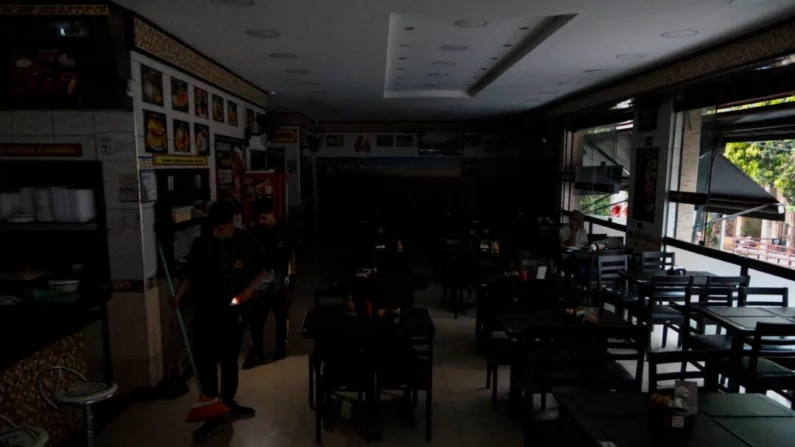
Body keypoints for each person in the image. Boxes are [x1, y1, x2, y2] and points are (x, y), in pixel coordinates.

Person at [171, 200, 268, 442]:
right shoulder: (203, 243)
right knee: (204, 360)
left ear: (231, 223)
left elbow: (263, 269)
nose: (216, 233)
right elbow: (190, 273)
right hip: (206, 310)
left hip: (234, 310)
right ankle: (212, 408)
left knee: (229, 359)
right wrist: (178, 295)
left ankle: (227, 402)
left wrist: (248, 290)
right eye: (213, 228)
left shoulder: (246, 241)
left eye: (221, 229)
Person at [242, 199, 295, 369]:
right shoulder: (255, 232)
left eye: (264, 218)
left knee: (280, 317)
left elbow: (289, 255)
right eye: (259, 219)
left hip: (280, 279)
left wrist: (290, 277)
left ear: (273, 213)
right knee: (257, 320)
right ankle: (257, 352)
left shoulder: (285, 230)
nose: (262, 222)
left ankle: (280, 349)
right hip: (260, 280)